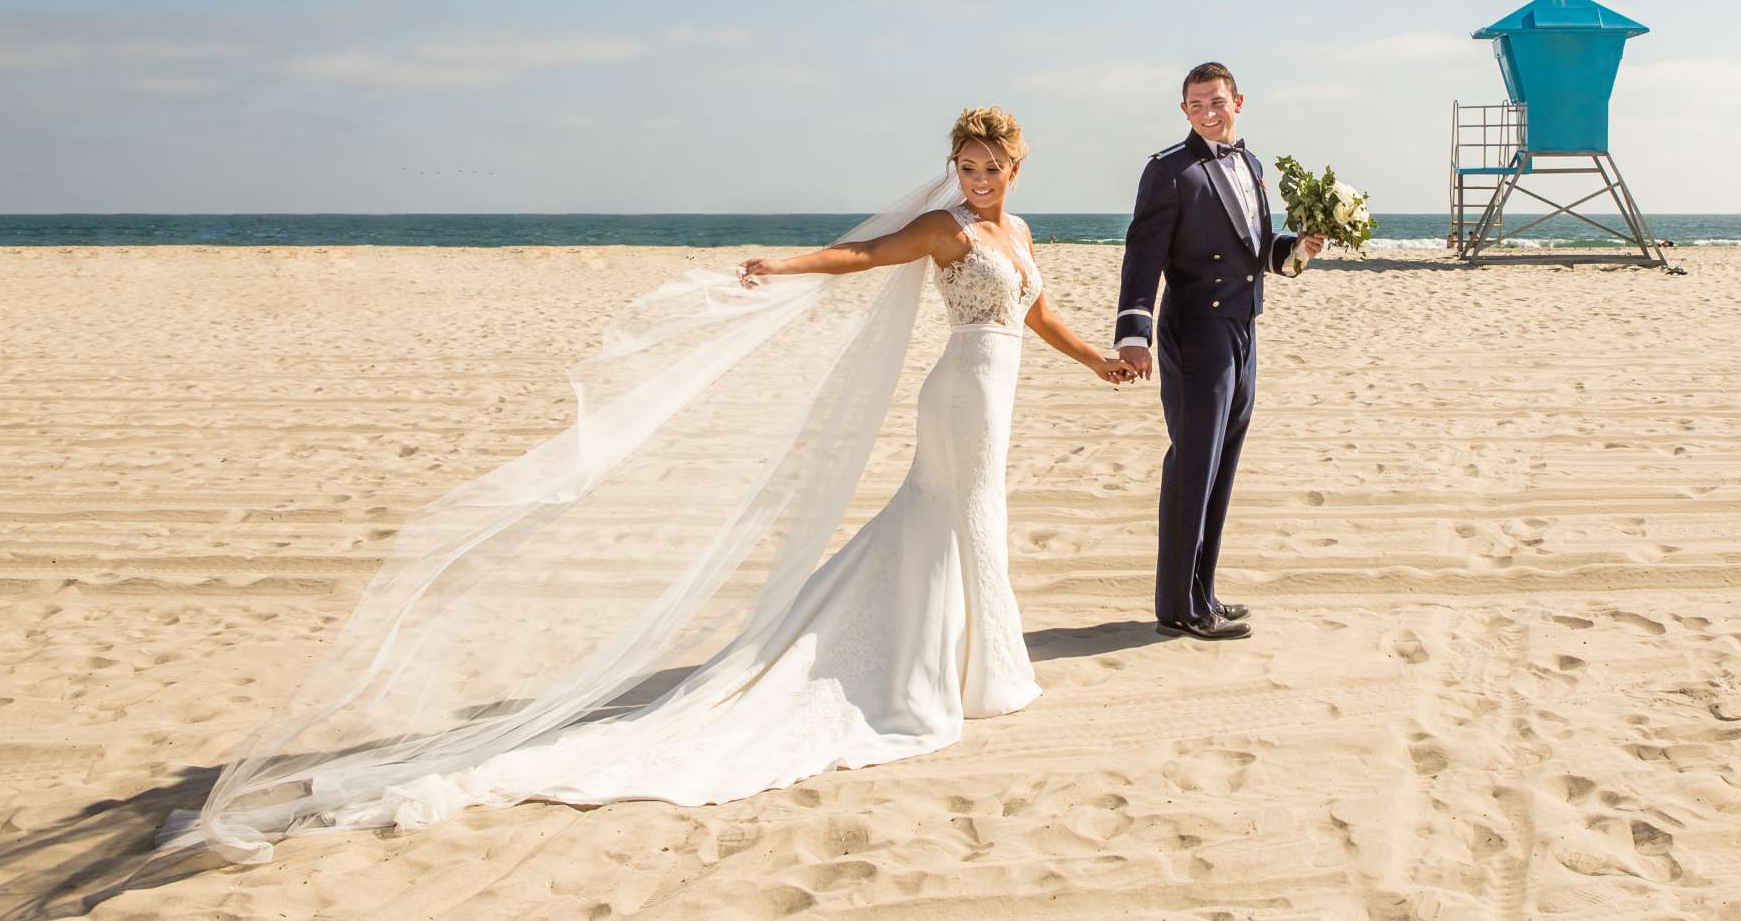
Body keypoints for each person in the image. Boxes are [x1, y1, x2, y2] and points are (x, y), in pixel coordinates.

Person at [171, 106, 1136, 860]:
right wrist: (787, 264)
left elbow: (1039, 316)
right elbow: (861, 256)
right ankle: (946, 675)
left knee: (971, 522)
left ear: (1016, 170)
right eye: (966, 166)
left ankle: (977, 667)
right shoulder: (945, 231)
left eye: (989, 169)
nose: (976, 179)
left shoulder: (1022, 238)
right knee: (952, 516)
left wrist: (1097, 360)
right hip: (960, 393)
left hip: (999, 391)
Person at [1116, 63, 1325, 641]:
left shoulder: (1252, 166)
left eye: (1217, 101)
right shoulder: (1169, 171)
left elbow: (1255, 251)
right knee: (1193, 465)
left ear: (1239, 101)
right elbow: (1143, 255)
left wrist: (1298, 248)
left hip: (1243, 330)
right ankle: (1177, 607)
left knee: (1222, 467)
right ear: (1185, 111)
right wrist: (1135, 334)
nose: (1209, 112)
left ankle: (1201, 592)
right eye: (1197, 104)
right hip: (1196, 332)